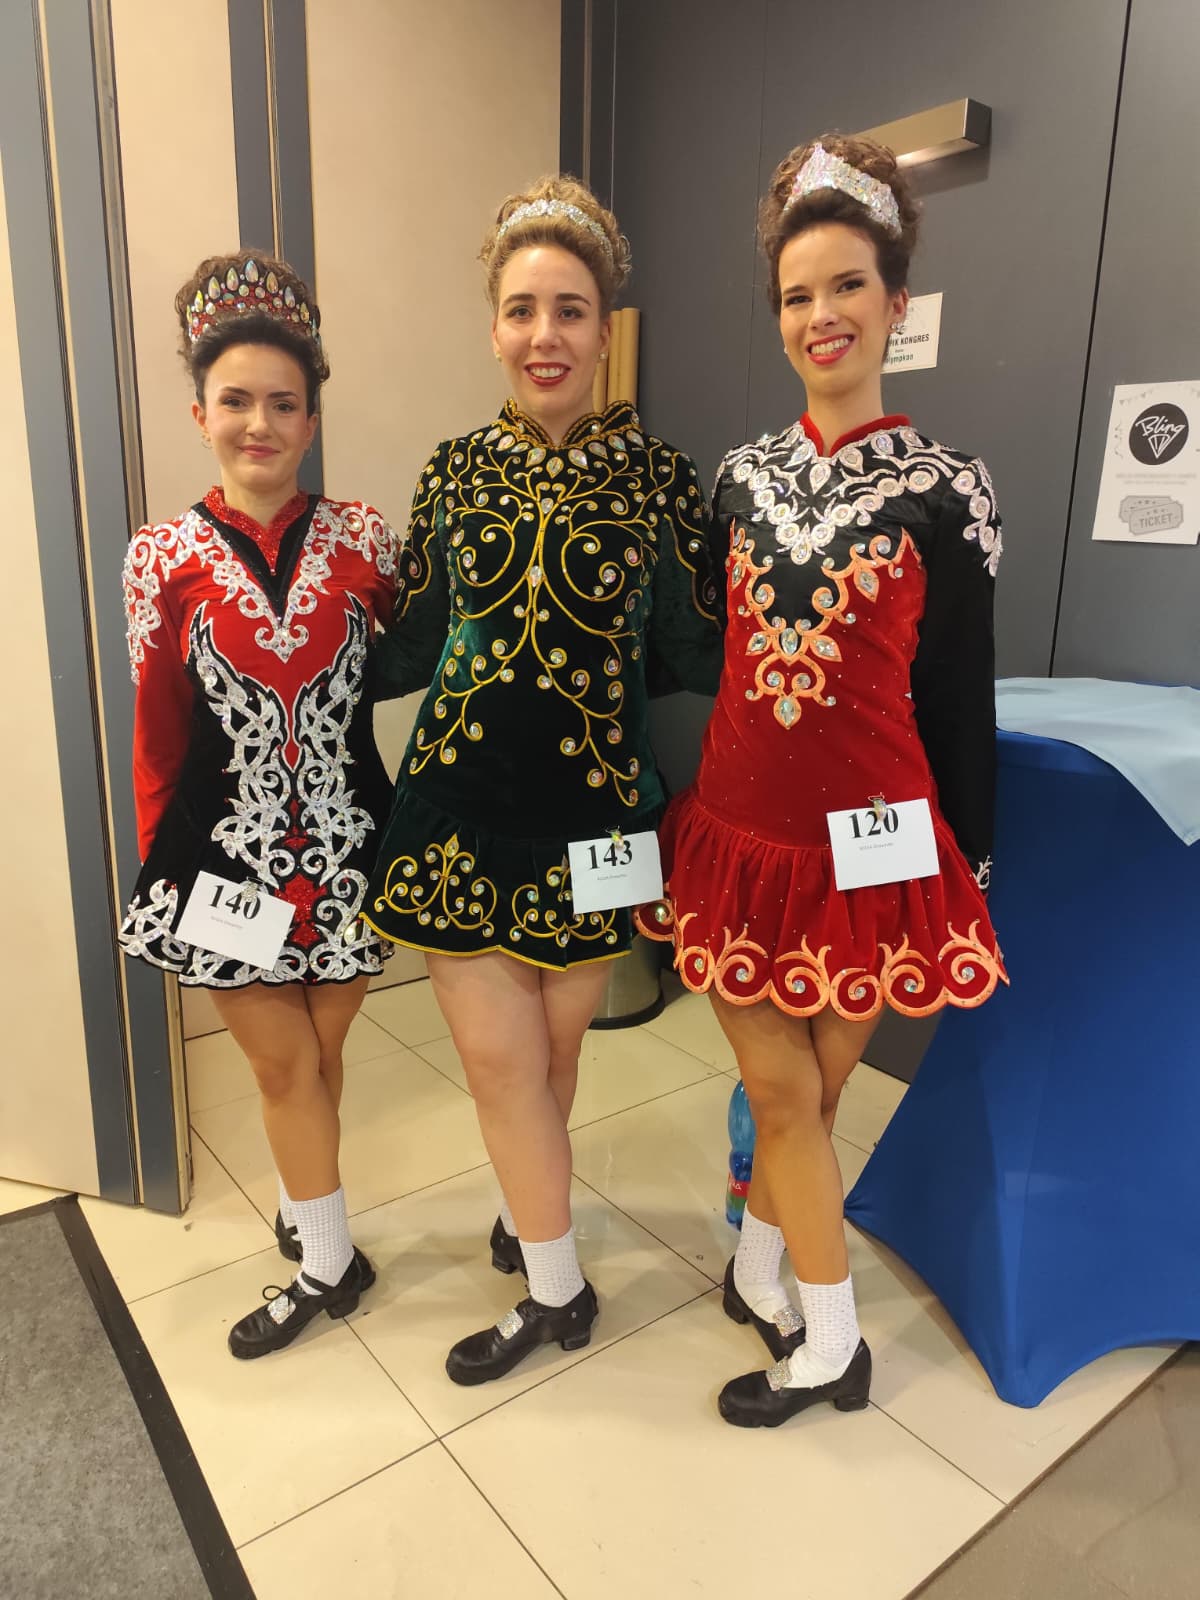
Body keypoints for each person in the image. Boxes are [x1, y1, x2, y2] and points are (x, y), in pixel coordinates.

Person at [638, 136, 1007, 1426]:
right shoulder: (739, 478)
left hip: (880, 847)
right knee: (787, 1091)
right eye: (797, 294)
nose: (821, 315)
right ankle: (831, 1341)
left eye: (847, 285)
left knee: (814, 1090)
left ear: (897, 302)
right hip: (742, 833)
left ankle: (763, 1269)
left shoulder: (952, 492)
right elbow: (713, 652)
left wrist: (971, 859)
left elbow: (958, 696)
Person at [366, 177, 720, 1384]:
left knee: (555, 1064)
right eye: (522, 310)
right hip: (456, 811)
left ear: (604, 330)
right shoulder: (454, 470)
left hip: (597, 822)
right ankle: (559, 1292)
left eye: (569, 310)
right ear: (494, 327)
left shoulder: (661, 478)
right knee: (501, 1064)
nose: (544, 335)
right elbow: (411, 639)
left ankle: (532, 1212)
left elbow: (694, 651)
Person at [119, 252, 400, 1357]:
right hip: (223, 856)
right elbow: (157, 731)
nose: (260, 424)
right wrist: (162, 860)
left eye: (284, 403)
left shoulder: (367, 541)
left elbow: (429, 660)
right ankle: (328, 1263)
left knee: (322, 1058)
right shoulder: (160, 558)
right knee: (282, 1066)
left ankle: (306, 1205)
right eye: (236, 401)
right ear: (200, 413)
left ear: (312, 418)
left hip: (350, 844)